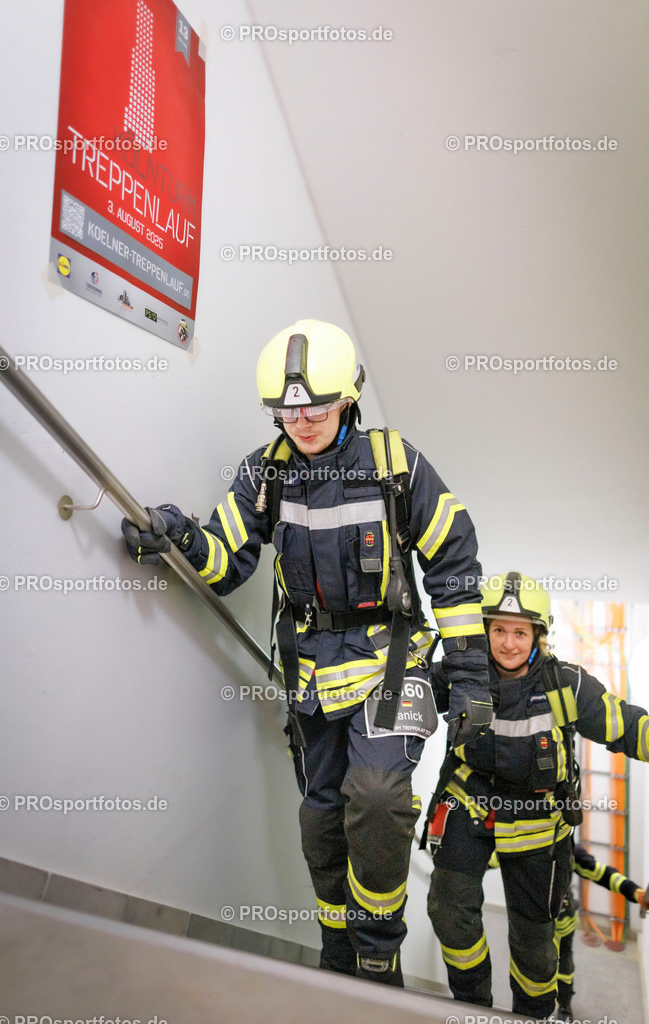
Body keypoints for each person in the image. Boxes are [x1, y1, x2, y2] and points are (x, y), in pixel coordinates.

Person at [122, 319, 492, 985]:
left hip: (391, 663)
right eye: (287, 411)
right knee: (322, 817)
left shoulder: (396, 464)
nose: (302, 422)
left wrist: (469, 678)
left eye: (316, 409)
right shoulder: (264, 473)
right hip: (311, 675)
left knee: (377, 796)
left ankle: (376, 951)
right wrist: (176, 537)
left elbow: (454, 563)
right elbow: (224, 560)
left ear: (348, 398)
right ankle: (337, 947)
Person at [425, 571, 649, 1019]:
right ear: (485, 630)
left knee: (534, 941)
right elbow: (406, 698)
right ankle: (472, 1006)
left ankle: (534, 1014)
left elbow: (628, 727)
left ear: (538, 636)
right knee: (449, 909)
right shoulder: (461, 675)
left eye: (520, 632)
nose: (508, 644)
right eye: (499, 630)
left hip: (538, 820)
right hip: (470, 804)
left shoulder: (567, 684)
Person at [555, 842, 649, 1022]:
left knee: (564, 966)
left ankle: (564, 1005)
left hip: (562, 924)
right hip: (530, 927)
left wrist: (634, 892)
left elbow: (601, 873)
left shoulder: (567, 847)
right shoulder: (519, 843)